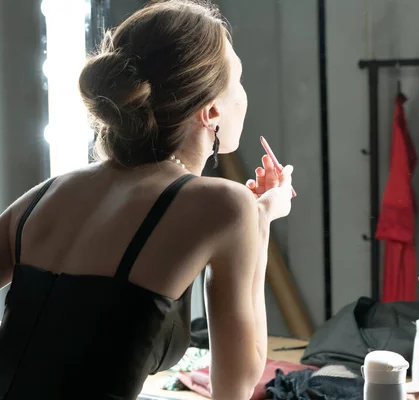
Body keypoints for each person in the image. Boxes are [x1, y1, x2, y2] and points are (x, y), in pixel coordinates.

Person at [0, 1, 294, 399]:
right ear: (210, 112)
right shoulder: (227, 205)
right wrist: (258, 219)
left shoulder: (46, 194)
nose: (244, 93)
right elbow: (234, 387)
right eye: (239, 79)